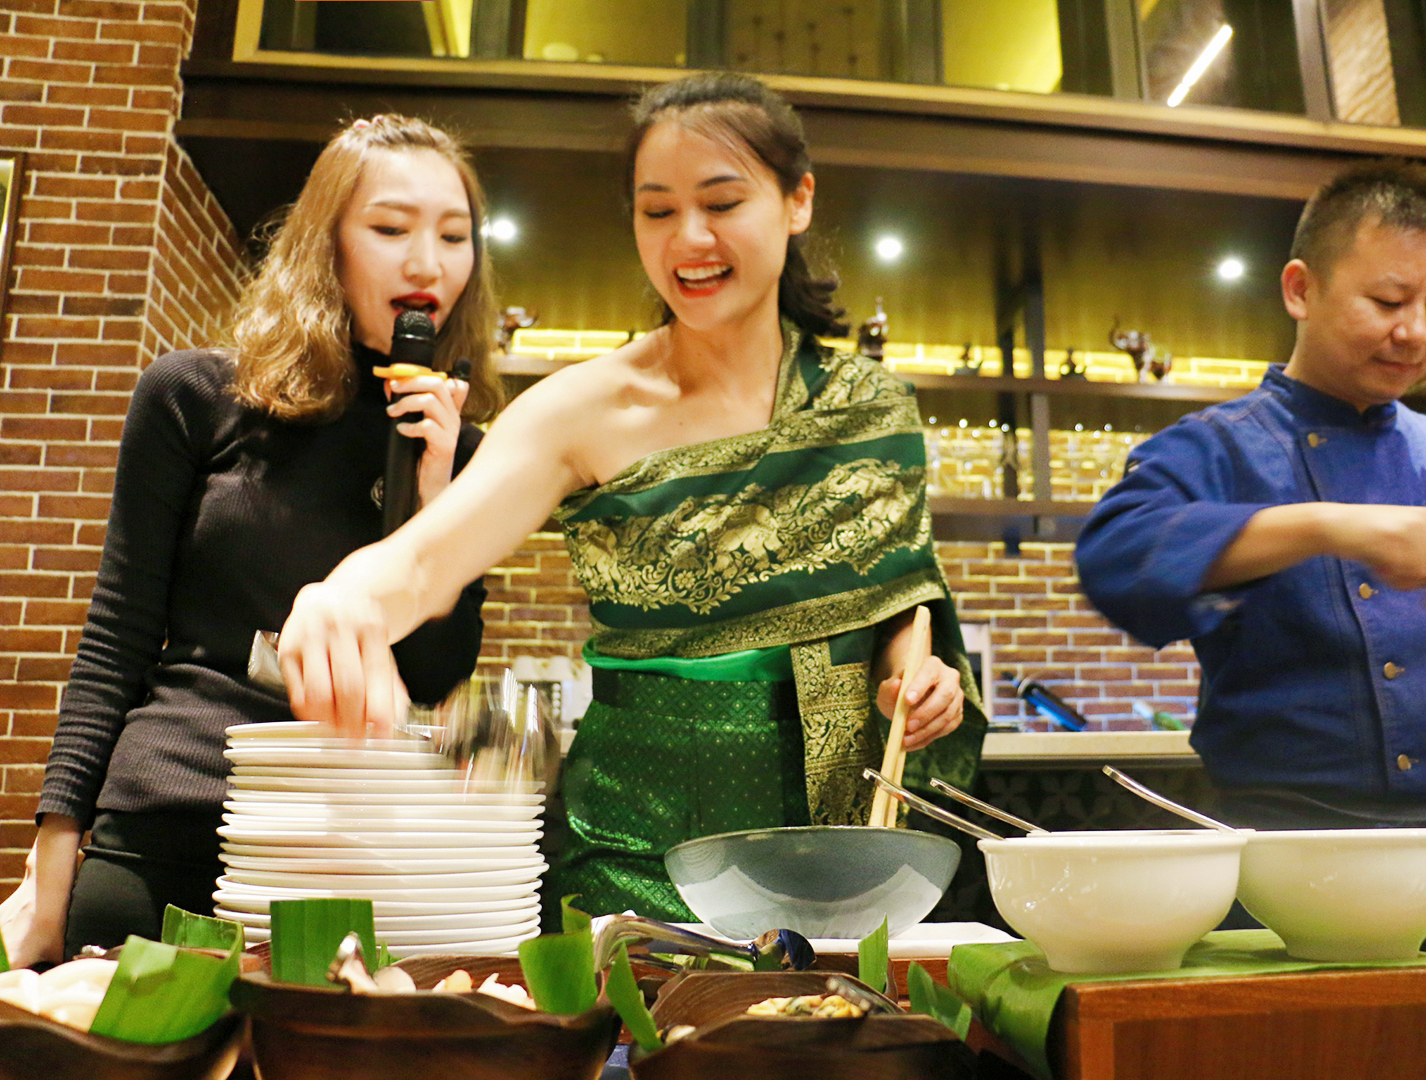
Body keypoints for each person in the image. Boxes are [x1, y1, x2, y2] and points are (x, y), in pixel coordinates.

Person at [274, 72, 987, 921]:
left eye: (722, 202)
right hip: (638, 852)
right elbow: (426, 559)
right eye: (657, 211)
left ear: (797, 200)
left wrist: (916, 678)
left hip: (838, 849)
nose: (690, 237)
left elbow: (896, 597)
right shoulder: (583, 408)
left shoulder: (871, 406)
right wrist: (346, 596)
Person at [1073, 159, 1426, 965]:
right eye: (1388, 302)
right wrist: (1333, 526)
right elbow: (1120, 560)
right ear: (1301, 289)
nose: (1417, 332)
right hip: (1292, 854)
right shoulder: (1212, 447)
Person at [0, 115, 502, 966]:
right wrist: (45, 875)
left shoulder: (463, 452)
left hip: (347, 846)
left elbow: (435, 675)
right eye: (390, 228)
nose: (428, 262)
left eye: (454, 237)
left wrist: (438, 495)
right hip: (172, 819)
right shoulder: (192, 396)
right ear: (326, 244)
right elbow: (115, 638)